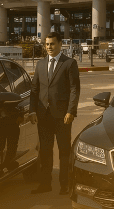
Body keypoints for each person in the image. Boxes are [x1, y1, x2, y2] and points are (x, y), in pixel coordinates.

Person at [30, 32, 81, 195]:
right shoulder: (40, 64)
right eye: (47, 44)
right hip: (44, 115)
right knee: (45, 151)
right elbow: (35, 89)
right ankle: (45, 184)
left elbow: (74, 89)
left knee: (64, 151)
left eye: (52, 44)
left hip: (63, 116)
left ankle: (65, 184)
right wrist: (32, 110)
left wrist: (71, 111)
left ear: (60, 44)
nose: (49, 47)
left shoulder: (69, 63)